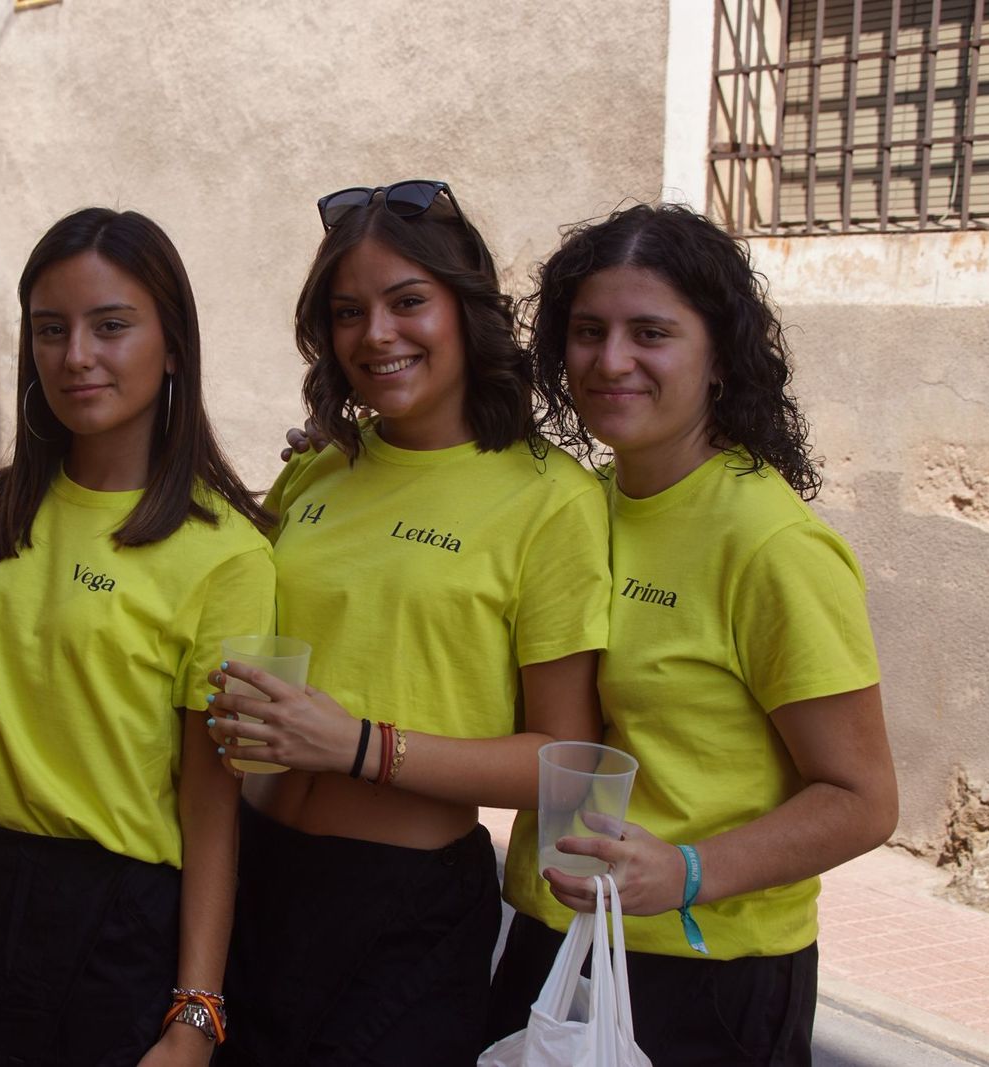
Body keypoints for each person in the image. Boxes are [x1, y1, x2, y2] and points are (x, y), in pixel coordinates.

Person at [205, 181, 610, 1065]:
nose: (376, 334)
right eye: (348, 311)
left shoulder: (552, 501)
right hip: (255, 870)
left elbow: (568, 766)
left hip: (406, 911)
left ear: (468, 311)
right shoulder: (320, 472)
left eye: (408, 301)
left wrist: (360, 744)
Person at [487, 202, 899, 1065]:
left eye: (651, 333)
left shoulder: (770, 543)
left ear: (719, 357)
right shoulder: (572, 506)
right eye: (589, 331)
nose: (611, 361)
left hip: (705, 973)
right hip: (556, 941)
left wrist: (687, 871)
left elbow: (863, 798)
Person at [0, 208, 275, 1066]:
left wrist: (196, 1011)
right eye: (50, 330)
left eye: (112, 325)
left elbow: (212, 805)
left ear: (173, 345)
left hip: (110, 925)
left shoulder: (226, 552)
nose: (76, 355)